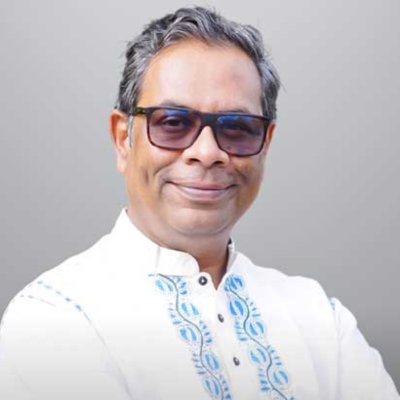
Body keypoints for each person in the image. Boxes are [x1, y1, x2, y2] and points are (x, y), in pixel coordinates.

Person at [0, 6, 398, 400]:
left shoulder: (318, 318)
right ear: (123, 139)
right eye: (173, 122)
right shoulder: (56, 317)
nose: (207, 153)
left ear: (265, 145)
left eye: (237, 128)